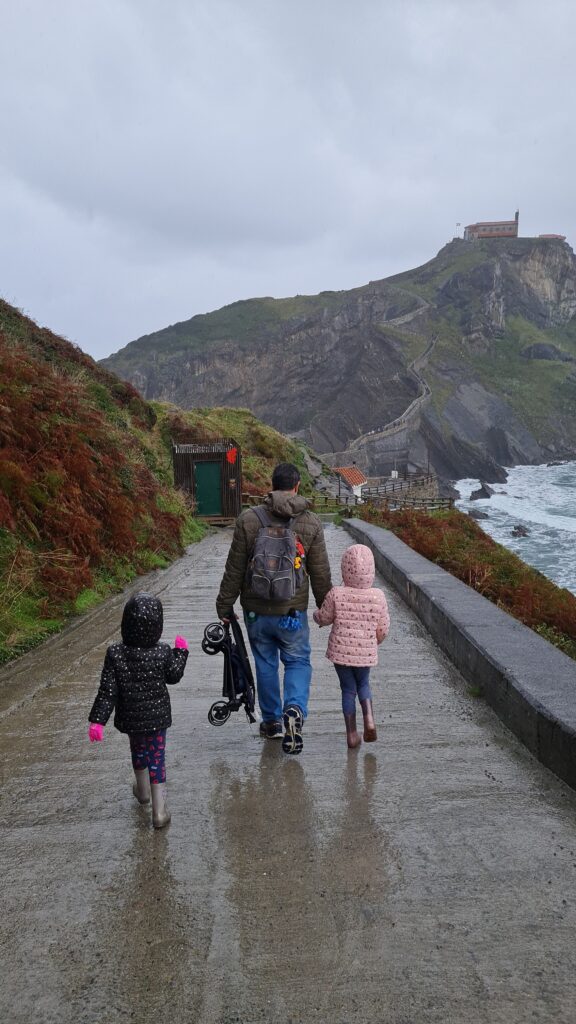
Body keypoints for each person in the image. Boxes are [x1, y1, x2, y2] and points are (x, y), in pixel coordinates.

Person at [216, 462, 332, 755]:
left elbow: (235, 568)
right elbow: (320, 573)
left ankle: (272, 723)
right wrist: (326, 607)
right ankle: (294, 710)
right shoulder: (311, 522)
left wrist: (224, 604)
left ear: (272, 485)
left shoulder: (248, 519)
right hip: (292, 612)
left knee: (265, 663)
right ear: (297, 487)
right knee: (297, 662)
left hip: (256, 611)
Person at [87, 592, 188, 828]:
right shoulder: (163, 651)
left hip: (131, 718)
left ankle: (142, 793)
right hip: (157, 719)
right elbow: (174, 676)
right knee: (157, 758)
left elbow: (107, 691)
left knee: (138, 750)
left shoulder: (116, 653)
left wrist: (97, 721)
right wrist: (181, 653)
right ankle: (160, 811)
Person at [313, 543, 390, 749]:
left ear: (344, 569)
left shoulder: (336, 593)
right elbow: (382, 629)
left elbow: (325, 617)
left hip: (341, 653)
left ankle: (352, 734)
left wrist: (316, 617)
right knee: (363, 684)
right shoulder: (378, 596)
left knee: (348, 690)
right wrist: (374, 643)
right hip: (365, 652)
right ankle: (370, 720)